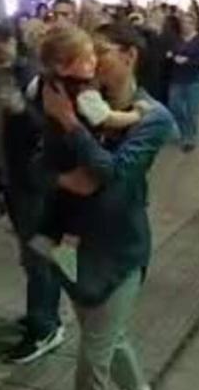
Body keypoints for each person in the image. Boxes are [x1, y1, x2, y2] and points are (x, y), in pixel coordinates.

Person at [39, 21, 175, 390]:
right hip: (70, 244)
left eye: (102, 53)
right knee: (105, 334)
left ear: (130, 56)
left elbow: (114, 174)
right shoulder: (75, 94)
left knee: (91, 359)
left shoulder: (153, 117)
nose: (93, 62)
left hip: (119, 250)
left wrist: (72, 126)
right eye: (88, 54)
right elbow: (43, 159)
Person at [27, 27, 151, 284]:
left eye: (96, 54)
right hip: (75, 154)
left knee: (62, 200)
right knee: (80, 202)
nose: (95, 62)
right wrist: (136, 115)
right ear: (62, 66)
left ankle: (45, 236)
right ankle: (67, 247)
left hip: (54, 151)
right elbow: (107, 118)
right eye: (87, 58)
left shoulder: (46, 84)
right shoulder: (85, 92)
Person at [0, 20, 65, 364]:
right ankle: (44, 314)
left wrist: (24, 111)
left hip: (35, 185)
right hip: (9, 183)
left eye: (3, 39)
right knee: (32, 255)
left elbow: (57, 127)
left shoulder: (34, 78)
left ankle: (44, 328)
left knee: (40, 255)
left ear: (16, 42)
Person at [166, 10, 199, 152]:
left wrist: (189, 61)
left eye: (187, 23)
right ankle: (184, 131)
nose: (184, 26)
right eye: (182, 23)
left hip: (195, 80)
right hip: (177, 78)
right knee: (175, 107)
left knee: (193, 110)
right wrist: (172, 56)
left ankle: (190, 137)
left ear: (194, 24)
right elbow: (172, 52)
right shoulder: (176, 39)